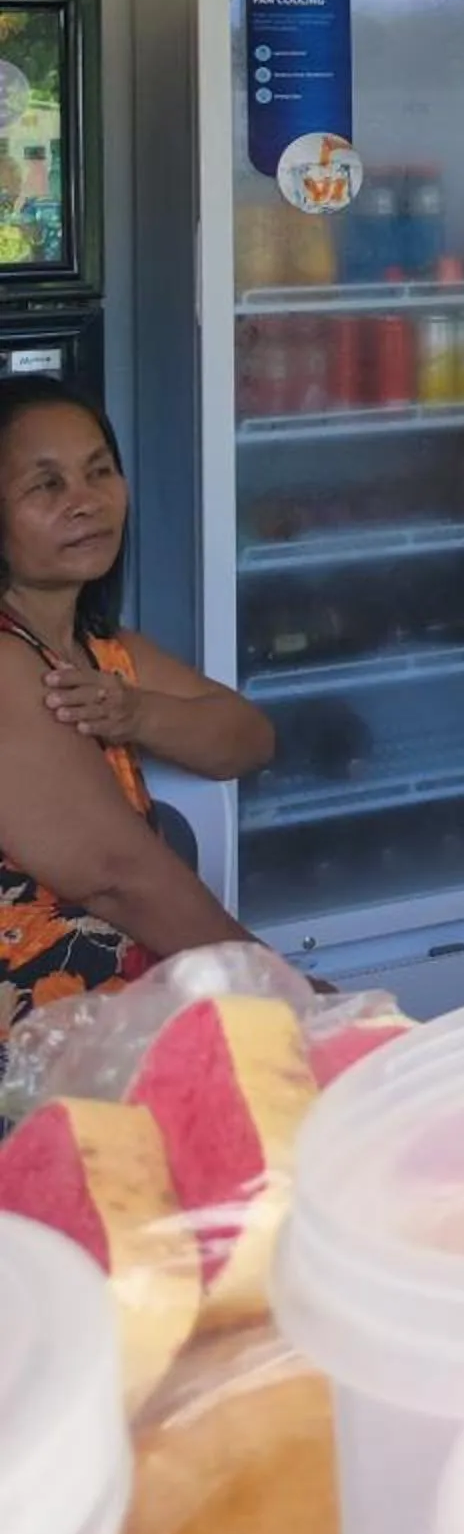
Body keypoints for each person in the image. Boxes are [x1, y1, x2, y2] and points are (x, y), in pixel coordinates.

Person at [0, 379, 274, 1041]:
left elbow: (250, 738)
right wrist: (279, 993)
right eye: (47, 486)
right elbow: (119, 879)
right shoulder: (6, 660)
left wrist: (136, 714)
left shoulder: (103, 650)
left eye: (100, 472)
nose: (86, 502)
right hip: (39, 1044)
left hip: (128, 1005)